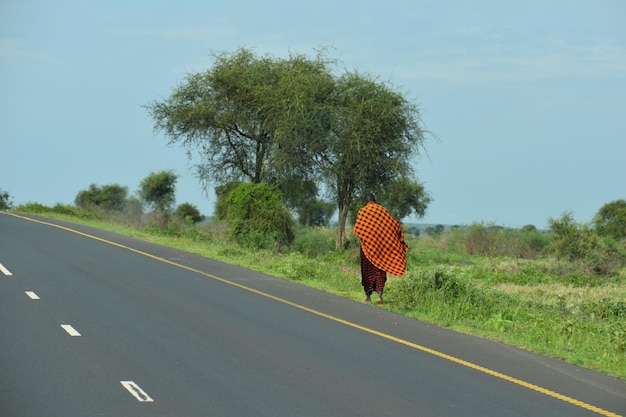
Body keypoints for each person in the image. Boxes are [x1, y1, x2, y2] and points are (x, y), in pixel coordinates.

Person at [353, 193, 409, 305]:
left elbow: (358, 230)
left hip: (367, 249)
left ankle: (368, 298)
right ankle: (379, 298)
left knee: (367, 273)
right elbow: (393, 225)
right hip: (381, 250)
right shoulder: (382, 211)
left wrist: (369, 238)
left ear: (365, 201)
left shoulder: (363, 211)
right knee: (380, 272)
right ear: (375, 200)